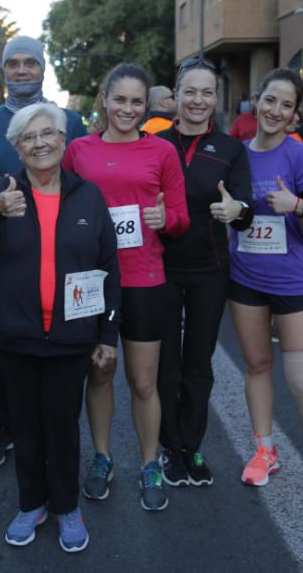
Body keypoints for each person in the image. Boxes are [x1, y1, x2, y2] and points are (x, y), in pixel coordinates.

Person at [0, 102, 120, 553]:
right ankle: (31, 504)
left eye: (49, 134)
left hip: (72, 338)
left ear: (63, 141)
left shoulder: (88, 195)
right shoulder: (1, 193)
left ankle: (66, 507)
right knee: (25, 426)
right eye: (29, 137)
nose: (40, 143)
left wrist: (107, 335)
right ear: (17, 148)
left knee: (62, 425)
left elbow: (107, 267)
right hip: (16, 338)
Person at [63, 63, 189, 512]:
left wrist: (165, 219)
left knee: (143, 380)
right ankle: (102, 458)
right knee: (98, 371)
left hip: (144, 279)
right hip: (91, 280)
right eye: (120, 100)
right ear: (104, 99)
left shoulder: (163, 152)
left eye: (138, 102)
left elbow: (179, 217)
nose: (128, 110)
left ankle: (150, 462)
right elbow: (55, 199)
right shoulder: (78, 150)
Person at [0, 35, 88, 467]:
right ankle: (4, 426)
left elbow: (85, 181)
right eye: (13, 64)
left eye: (29, 64)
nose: (21, 71)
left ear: (42, 69)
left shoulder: (70, 119)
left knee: (65, 345)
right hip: (4, 256)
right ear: (3, 70)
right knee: (2, 345)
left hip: (63, 250)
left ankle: (60, 430)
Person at [225, 69, 303, 506]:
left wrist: (298, 204)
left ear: (294, 114)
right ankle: (264, 450)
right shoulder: (237, 154)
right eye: (269, 101)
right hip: (245, 279)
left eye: (285, 105)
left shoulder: (300, 157)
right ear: (257, 101)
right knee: (255, 367)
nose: (275, 111)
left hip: (294, 283)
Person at [154, 58, 253, 487]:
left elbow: (246, 208)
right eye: (190, 91)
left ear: (216, 98)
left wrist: (237, 210)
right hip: (158, 268)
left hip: (209, 270)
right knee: (165, 363)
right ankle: (167, 447)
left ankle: (189, 447)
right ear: (176, 96)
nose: (198, 100)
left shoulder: (232, 150)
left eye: (207, 92)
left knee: (198, 363)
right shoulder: (153, 141)